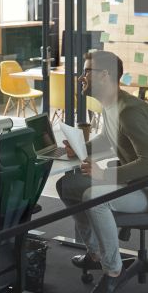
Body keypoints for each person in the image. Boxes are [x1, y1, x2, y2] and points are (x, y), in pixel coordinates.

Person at [56, 51, 148, 293]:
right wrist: (80, 150)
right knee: (67, 185)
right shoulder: (111, 105)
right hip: (134, 183)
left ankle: (113, 271)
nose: (81, 77)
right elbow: (108, 140)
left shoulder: (129, 111)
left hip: (145, 190)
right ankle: (96, 254)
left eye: (87, 71)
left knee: (94, 198)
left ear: (105, 75)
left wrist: (104, 176)